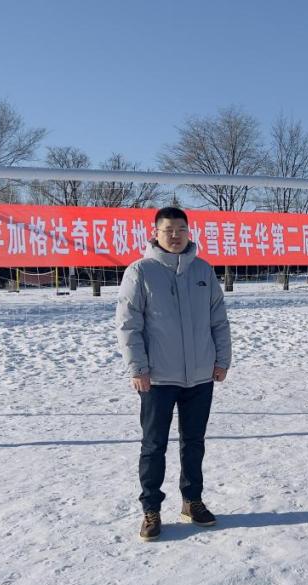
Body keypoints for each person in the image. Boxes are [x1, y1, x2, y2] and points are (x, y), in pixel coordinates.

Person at [116, 207, 231, 541]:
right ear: (155, 233)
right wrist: (138, 368)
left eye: (182, 229)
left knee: (194, 443)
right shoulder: (141, 271)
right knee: (154, 445)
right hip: (157, 379)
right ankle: (151, 509)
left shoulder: (203, 271)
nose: (176, 235)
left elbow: (218, 320)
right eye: (169, 230)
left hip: (199, 376)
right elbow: (128, 325)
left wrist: (221, 360)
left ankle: (192, 500)